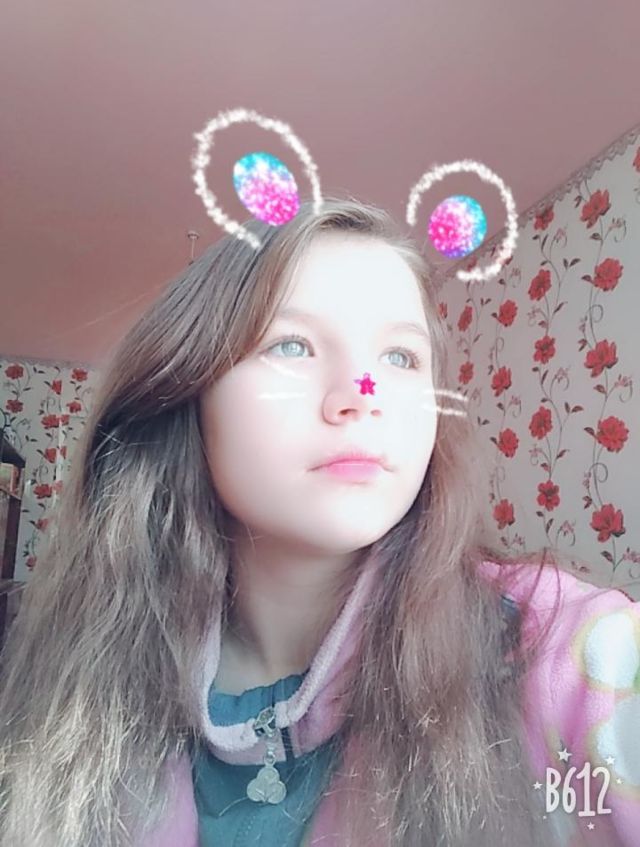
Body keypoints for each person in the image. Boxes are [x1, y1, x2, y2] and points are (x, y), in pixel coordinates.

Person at [0, 196, 638, 847]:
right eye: (292, 344)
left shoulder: (563, 652)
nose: (361, 397)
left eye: (400, 357)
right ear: (188, 393)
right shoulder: (72, 670)